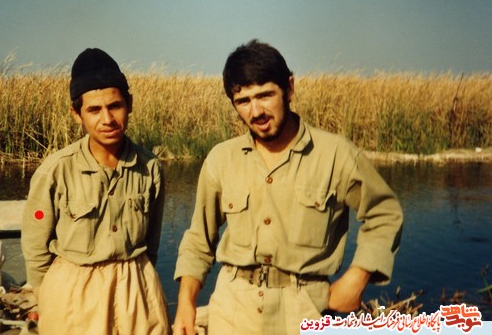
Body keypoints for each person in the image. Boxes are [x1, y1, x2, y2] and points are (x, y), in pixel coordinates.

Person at [173, 40, 403, 335]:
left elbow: (385, 214)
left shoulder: (336, 154)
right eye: (243, 101)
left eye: (265, 95)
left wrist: (357, 278)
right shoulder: (221, 159)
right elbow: (198, 240)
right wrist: (186, 302)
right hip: (232, 310)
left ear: (289, 88)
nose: (256, 111)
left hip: (306, 310)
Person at [22, 48, 170, 334]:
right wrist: (45, 298)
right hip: (73, 292)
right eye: (94, 110)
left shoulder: (150, 168)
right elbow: (35, 244)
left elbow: (152, 242)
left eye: (115, 106)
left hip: (136, 286)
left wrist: (142, 282)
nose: (107, 119)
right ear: (76, 114)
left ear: (129, 104)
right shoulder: (56, 170)